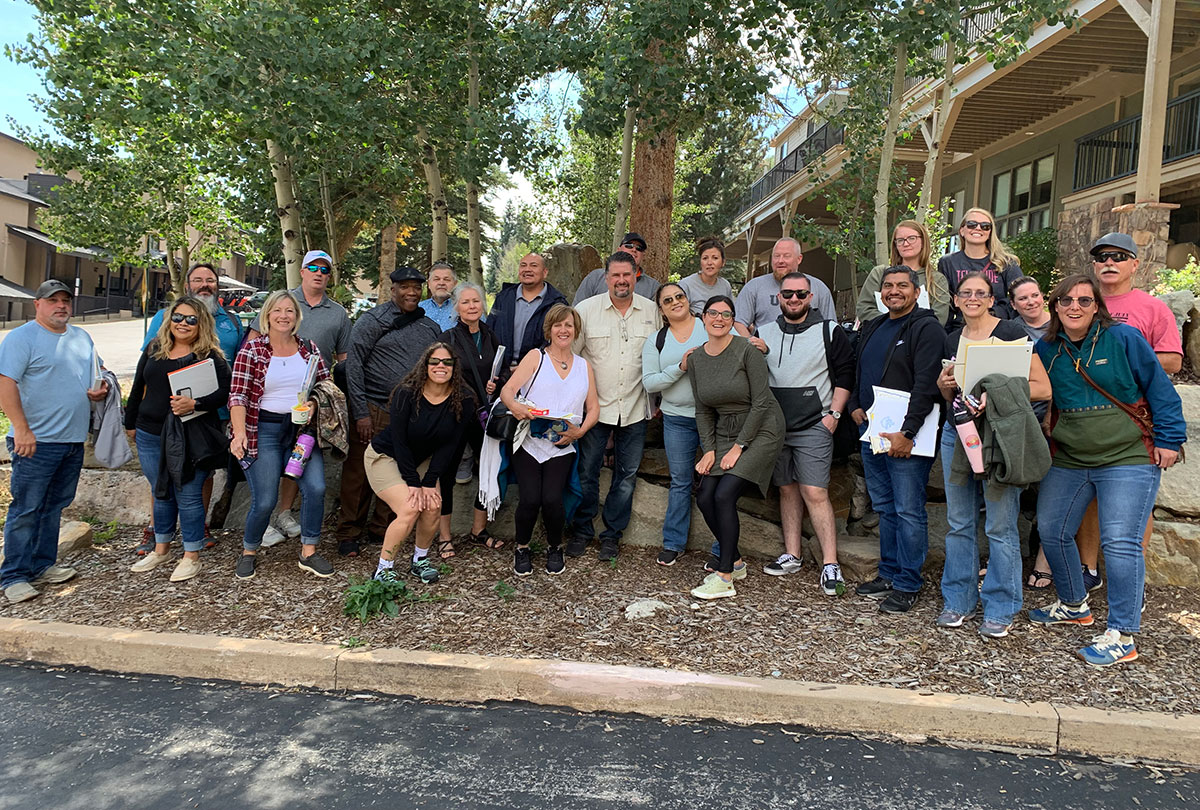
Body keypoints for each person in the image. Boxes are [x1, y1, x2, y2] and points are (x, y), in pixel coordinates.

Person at [1029, 275, 1185, 666]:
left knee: (1120, 542)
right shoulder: (1045, 347)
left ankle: (1122, 633)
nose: (1074, 307)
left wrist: (1169, 440)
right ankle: (1073, 604)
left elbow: (1159, 388)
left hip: (1128, 455)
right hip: (1070, 456)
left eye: (1084, 300)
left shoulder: (1125, 339)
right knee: (1052, 528)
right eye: (1066, 301)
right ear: (1056, 307)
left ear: (1096, 305)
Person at [934, 274, 1052, 637]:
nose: (972, 298)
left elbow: (1042, 387)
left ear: (991, 300)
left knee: (1000, 526)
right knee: (959, 523)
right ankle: (958, 601)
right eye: (965, 293)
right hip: (959, 437)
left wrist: (996, 395)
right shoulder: (953, 338)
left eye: (980, 293)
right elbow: (950, 397)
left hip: (1000, 438)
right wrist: (943, 387)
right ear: (956, 300)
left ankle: (1001, 607)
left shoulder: (1012, 333)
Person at [0, 280, 108, 604]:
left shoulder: (81, 338)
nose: (60, 306)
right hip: (35, 441)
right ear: (38, 304)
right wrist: (21, 429)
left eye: (65, 300)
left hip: (72, 440)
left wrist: (97, 391)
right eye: (53, 300)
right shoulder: (21, 339)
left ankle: (42, 565)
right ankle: (14, 576)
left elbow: (96, 376)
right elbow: (6, 385)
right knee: (27, 508)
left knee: (53, 507)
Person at [848, 267, 944, 614]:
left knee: (907, 510)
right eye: (888, 286)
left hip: (907, 436)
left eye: (902, 286)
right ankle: (888, 572)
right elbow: (861, 369)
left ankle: (908, 582)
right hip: (872, 430)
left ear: (916, 292)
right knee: (885, 506)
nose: (894, 291)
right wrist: (856, 406)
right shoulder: (874, 325)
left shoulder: (927, 328)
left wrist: (908, 433)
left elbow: (927, 385)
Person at [136, 262, 245, 555]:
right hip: (162, 419)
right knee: (162, 479)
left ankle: (199, 528)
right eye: (198, 280)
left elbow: (234, 373)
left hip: (212, 417)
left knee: (202, 477)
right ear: (187, 286)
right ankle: (157, 531)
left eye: (210, 280)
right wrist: (132, 419)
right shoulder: (163, 317)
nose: (205, 285)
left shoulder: (232, 323)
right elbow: (146, 371)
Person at [757, 273, 855, 596]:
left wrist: (835, 415)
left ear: (811, 297)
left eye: (801, 294)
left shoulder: (829, 330)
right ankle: (792, 554)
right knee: (787, 489)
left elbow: (845, 373)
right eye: (788, 294)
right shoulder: (765, 332)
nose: (794, 299)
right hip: (777, 425)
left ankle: (830, 564)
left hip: (815, 422)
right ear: (779, 297)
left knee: (815, 492)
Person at [124, 296, 232, 582]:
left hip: (189, 436)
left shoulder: (210, 357)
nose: (183, 324)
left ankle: (191, 555)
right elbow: (138, 386)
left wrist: (195, 404)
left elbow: (225, 394)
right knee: (161, 491)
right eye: (178, 317)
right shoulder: (154, 349)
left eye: (191, 319)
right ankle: (161, 549)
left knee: (188, 494)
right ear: (169, 319)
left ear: (202, 324)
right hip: (149, 433)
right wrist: (129, 422)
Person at [247, 250, 351, 545]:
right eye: (313, 267)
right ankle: (258, 530)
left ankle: (285, 513)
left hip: (307, 407)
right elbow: (252, 349)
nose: (319, 273)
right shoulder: (282, 303)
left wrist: (330, 399)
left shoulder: (338, 313)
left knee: (299, 465)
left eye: (325, 269)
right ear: (302, 271)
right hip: (267, 408)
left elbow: (342, 362)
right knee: (266, 473)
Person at [338, 265, 442, 557]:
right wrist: (359, 412)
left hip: (410, 413)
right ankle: (349, 533)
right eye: (405, 287)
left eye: (416, 287)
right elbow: (354, 368)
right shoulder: (373, 321)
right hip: (374, 407)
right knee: (359, 473)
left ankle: (382, 529)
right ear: (393, 288)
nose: (411, 292)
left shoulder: (429, 326)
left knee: (397, 471)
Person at [228, 290, 332, 581]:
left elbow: (326, 387)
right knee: (264, 499)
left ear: (297, 317)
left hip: (301, 430)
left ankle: (308, 551)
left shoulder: (308, 349)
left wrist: (312, 404)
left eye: (289, 311)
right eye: (277, 310)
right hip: (264, 429)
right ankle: (249, 551)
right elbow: (237, 395)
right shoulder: (253, 350)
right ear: (268, 315)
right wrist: (238, 434)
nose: (283, 316)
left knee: (316, 487)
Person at [686, 296, 785, 599]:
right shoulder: (696, 360)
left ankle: (725, 576)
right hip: (724, 430)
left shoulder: (746, 350)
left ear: (732, 319)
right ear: (703, 318)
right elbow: (703, 409)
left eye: (726, 314)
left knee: (725, 494)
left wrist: (739, 447)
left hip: (763, 426)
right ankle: (737, 561)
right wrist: (710, 449)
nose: (719, 318)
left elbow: (761, 402)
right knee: (705, 496)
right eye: (713, 313)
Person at [567, 251, 661, 561]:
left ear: (637, 276)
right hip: (596, 409)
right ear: (606, 278)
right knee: (587, 472)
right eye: (615, 275)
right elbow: (573, 359)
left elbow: (662, 356)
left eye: (627, 275)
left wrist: (658, 400)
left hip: (635, 408)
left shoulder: (652, 312)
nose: (621, 281)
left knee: (626, 476)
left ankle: (611, 535)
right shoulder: (586, 310)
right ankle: (581, 531)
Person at [501, 304, 599, 575]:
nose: (563, 330)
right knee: (531, 499)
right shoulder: (536, 357)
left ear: (576, 330)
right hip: (529, 442)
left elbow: (594, 408)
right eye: (558, 325)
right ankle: (522, 548)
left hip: (563, 444)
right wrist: (518, 408)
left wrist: (580, 432)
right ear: (549, 330)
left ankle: (555, 547)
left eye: (569, 325)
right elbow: (508, 390)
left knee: (553, 499)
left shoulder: (584, 366)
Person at [366, 343, 476, 584]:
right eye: (435, 361)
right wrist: (415, 483)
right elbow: (399, 441)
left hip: (423, 459)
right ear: (425, 365)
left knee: (433, 504)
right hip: (386, 456)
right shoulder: (406, 393)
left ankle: (420, 560)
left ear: (455, 368)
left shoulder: (463, 399)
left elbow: (450, 445)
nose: (441, 366)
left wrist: (428, 482)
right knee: (410, 507)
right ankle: (383, 568)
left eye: (447, 362)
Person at [436, 282, 507, 555]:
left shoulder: (491, 336)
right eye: (465, 302)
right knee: (447, 473)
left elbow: (498, 372)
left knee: (487, 469)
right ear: (457, 307)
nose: (472, 306)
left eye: (476, 301)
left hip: (482, 416)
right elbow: (438, 374)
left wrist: (495, 384)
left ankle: (478, 530)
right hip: (454, 414)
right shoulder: (448, 338)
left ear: (483, 304)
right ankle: (444, 536)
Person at [641, 282, 708, 565]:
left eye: (679, 296)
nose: (676, 302)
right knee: (680, 481)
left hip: (713, 419)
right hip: (676, 418)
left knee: (717, 481)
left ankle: (722, 547)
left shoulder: (710, 326)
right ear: (662, 309)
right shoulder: (656, 340)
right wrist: (679, 368)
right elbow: (649, 382)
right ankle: (673, 542)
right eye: (668, 300)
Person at [735, 238, 837, 346]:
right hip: (765, 358)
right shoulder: (754, 287)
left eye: (786, 256)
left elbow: (830, 328)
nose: (780, 261)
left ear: (799, 259)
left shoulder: (819, 288)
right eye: (776, 256)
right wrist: (754, 348)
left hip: (807, 357)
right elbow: (738, 323)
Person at [937, 208, 1023, 329]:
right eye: (972, 224)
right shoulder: (948, 262)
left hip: (997, 326)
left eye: (985, 226)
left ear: (990, 233)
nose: (978, 228)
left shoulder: (1006, 262)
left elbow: (1021, 295)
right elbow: (946, 303)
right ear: (962, 230)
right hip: (962, 327)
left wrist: (996, 312)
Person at [856, 220, 950, 326]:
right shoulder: (879, 273)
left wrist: (908, 328)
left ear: (923, 242)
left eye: (912, 238)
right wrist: (892, 324)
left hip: (919, 339)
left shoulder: (936, 280)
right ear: (895, 245)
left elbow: (939, 318)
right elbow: (864, 309)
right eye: (900, 240)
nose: (906, 244)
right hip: (882, 335)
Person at [488, 252, 568, 369]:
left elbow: (558, 341)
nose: (527, 269)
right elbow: (488, 333)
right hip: (502, 372)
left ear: (545, 272)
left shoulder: (556, 303)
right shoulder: (503, 298)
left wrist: (524, 368)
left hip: (539, 372)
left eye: (534, 265)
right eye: (523, 265)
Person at [573, 232, 661, 304]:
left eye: (639, 248)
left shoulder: (653, 287)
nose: (634, 249)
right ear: (618, 249)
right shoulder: (595, 277)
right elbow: (577, 309)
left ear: (643, 255)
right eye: (629, 246)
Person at [676, 237, 734, 315]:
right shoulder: (686, 285)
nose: (709, 262)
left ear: (723, 262)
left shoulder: (725, 286)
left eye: (715, 258)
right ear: (700, 261)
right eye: (705, 258)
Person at [1008, 276, 1051, 341]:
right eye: (1023, 298)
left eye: (1035, 295)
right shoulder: (1010, 330)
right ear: (1013, 304)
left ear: (1042, 297)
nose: (1031, 302)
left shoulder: (1062, 322)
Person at [419, 261, 459, 331]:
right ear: (429, 284)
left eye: (446, 279)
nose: (441, 283)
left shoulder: (466, 308)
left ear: (455, 284)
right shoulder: (418, 309)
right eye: (436, 279)